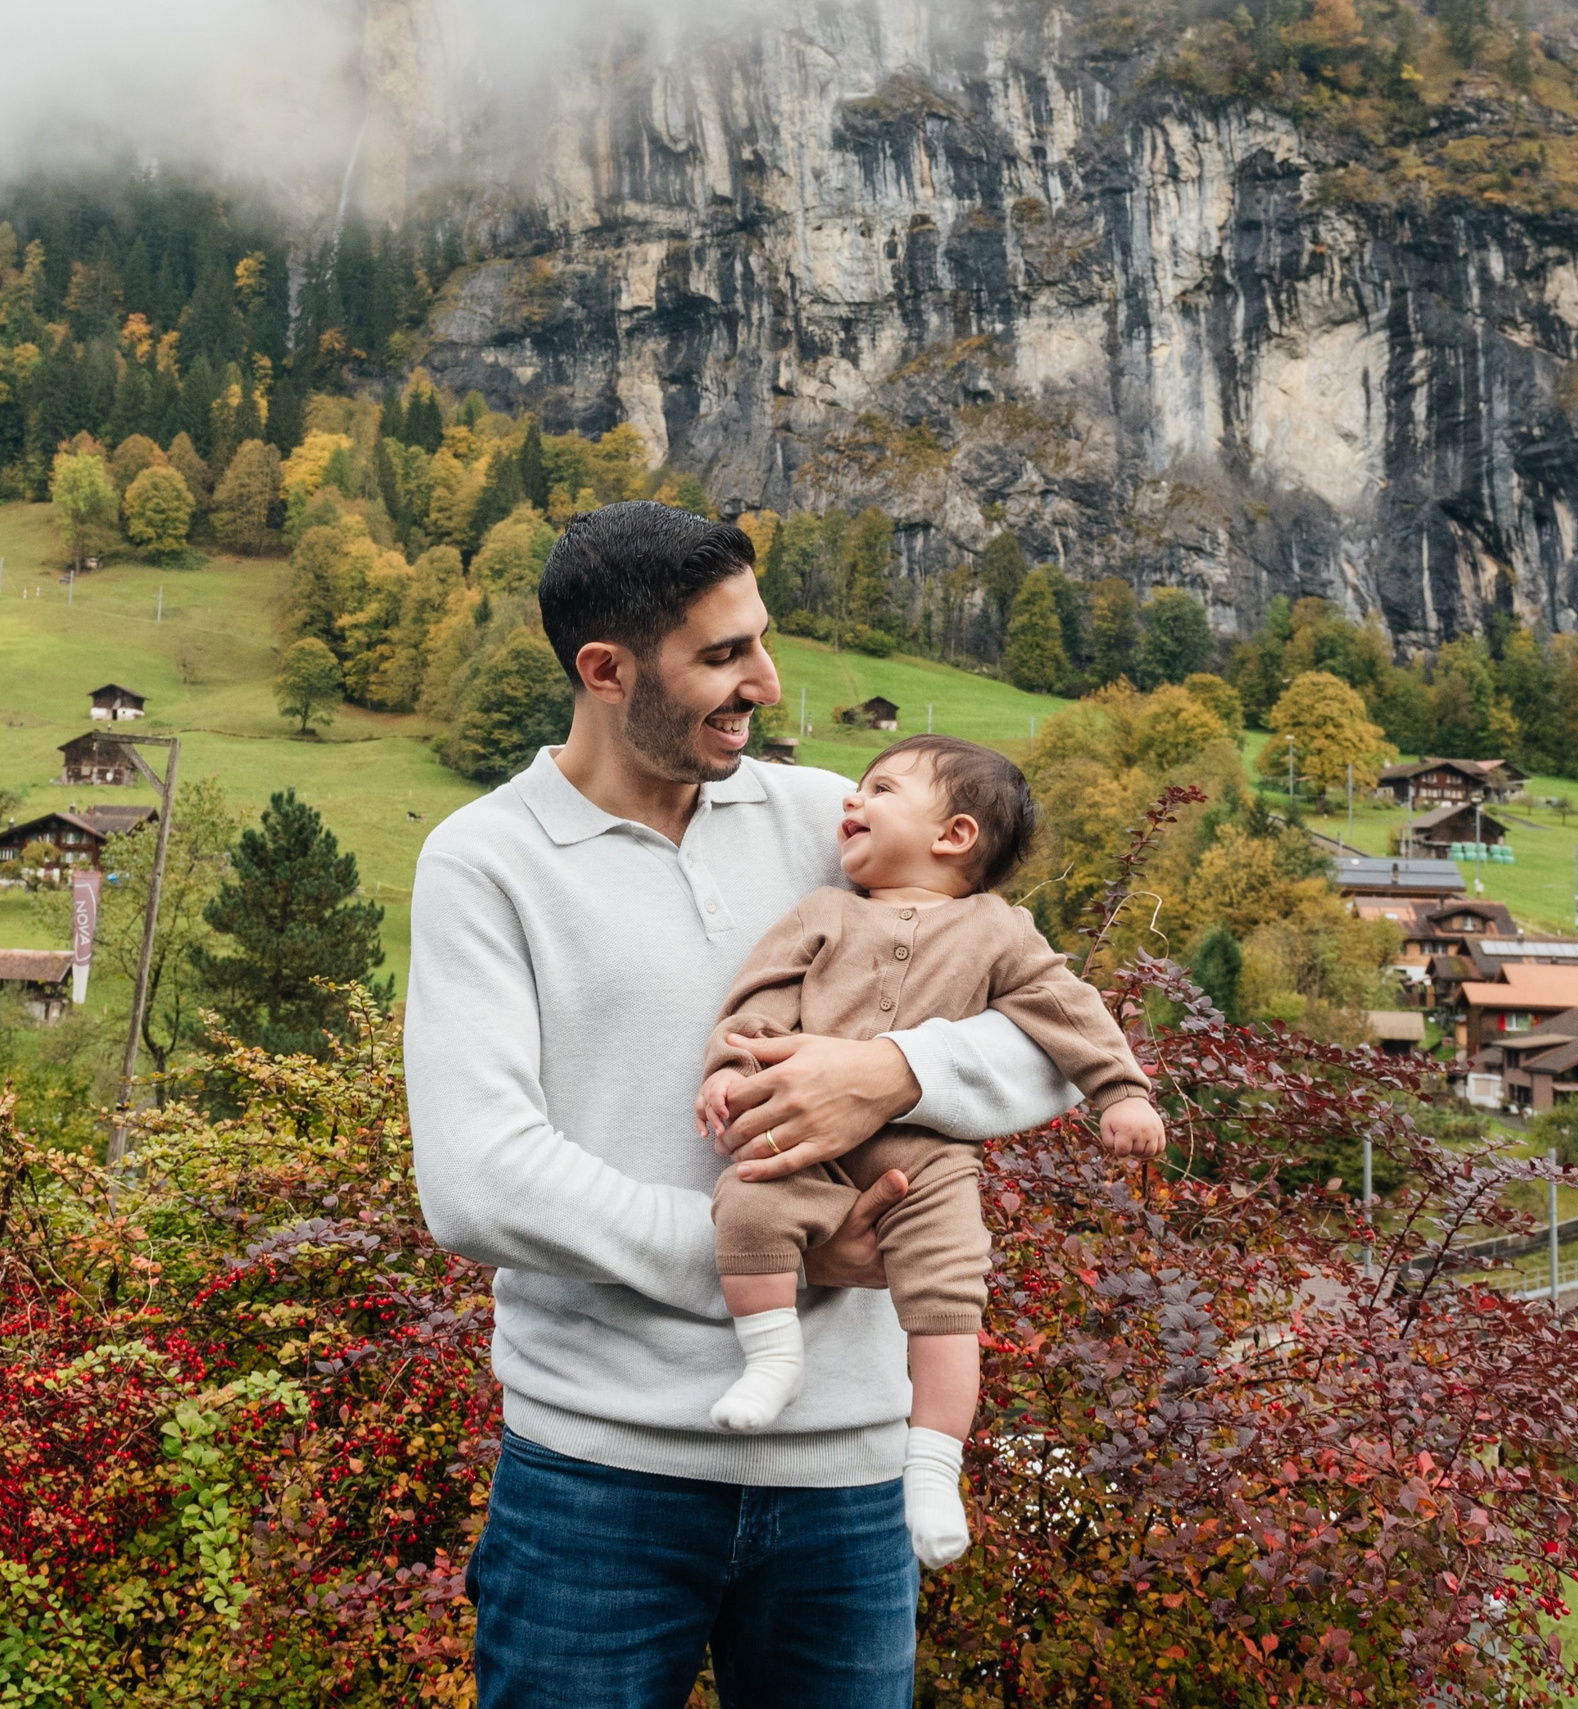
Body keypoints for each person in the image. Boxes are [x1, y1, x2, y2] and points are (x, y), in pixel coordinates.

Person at [406, 502, 1076, 1707]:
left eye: (759, 640)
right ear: (604, 671)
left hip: (853, 1483)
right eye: (722, 656)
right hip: (596, 1478)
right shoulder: (484, 858)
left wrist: (893, 1073)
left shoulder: (834, 822)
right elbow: (479, 1176)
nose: (763, 680)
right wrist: (781, 1254)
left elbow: (1051, 1034)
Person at [696, 736, 1165, 1569]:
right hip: (801, 1147)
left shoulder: (996, 929)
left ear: (952, 835)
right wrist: (731, 1068)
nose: (850, 801)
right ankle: (772, 1357)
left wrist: (1121, 1089)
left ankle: (932, 1465)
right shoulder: (823, 911)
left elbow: (1067, 1008)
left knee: (950, 1292)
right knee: (748, 1202)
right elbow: (758, 997)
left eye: (878, 788)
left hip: (929, 1159)